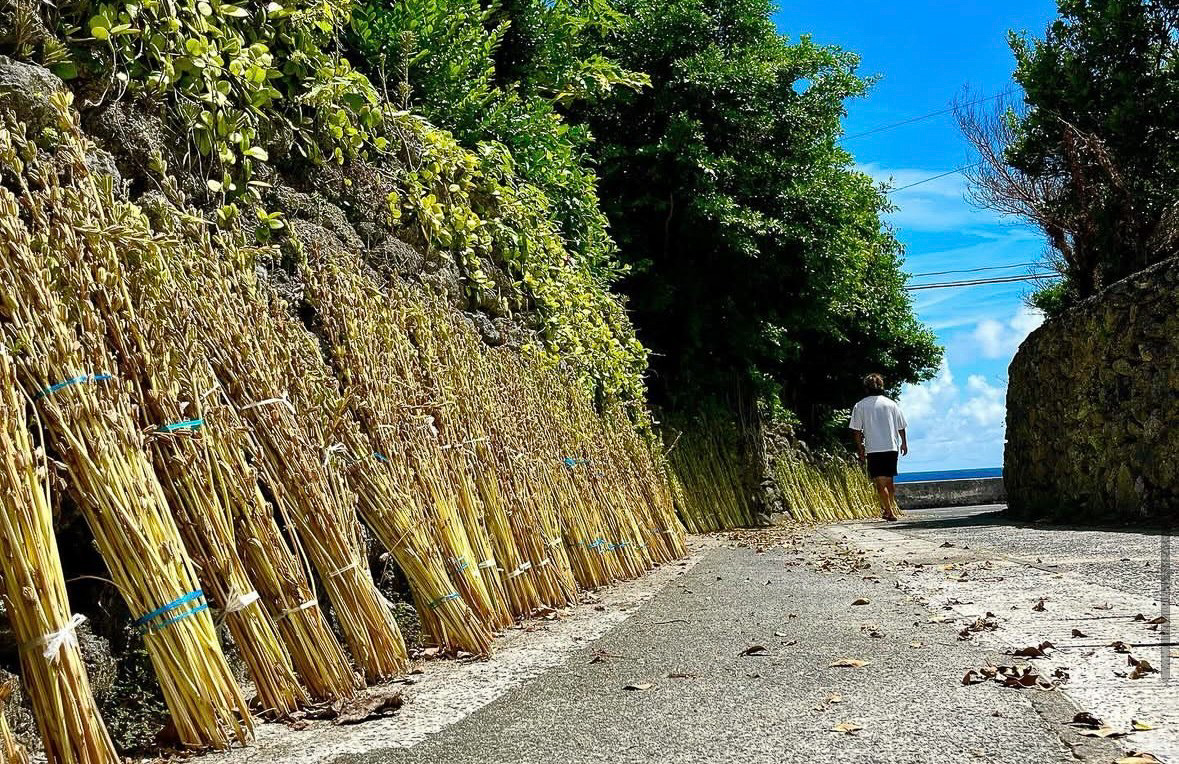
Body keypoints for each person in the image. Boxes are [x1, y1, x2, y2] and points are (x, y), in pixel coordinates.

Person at [849, 373, 908, 521]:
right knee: (889, 481)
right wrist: (904, 443)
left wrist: (860, 448)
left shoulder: (860, 405)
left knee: (880, 483)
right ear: (881, 386)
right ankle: (889, 509)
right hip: (891, 446)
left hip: (874, 448)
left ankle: (889, 511)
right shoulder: (891, 404)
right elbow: (901, 426)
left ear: (866, 388)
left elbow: (856, 430)